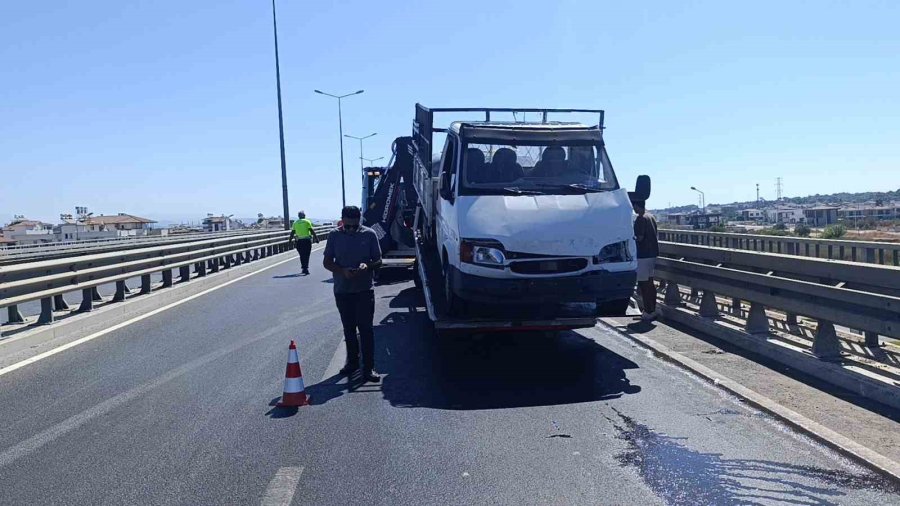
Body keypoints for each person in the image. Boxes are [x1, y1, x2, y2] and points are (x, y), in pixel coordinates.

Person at [323, 206, 383, 383]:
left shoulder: (370, 234)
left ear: (359, 222)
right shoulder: (334, 235)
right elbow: (327, 262)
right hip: (342, 290)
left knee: (366, 330)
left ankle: (369, 367)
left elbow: (378, 260)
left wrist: (367, 266)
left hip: (364, 290)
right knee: (349, 329)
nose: (351, 230)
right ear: (342, 221)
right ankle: (353, 363)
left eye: (354, 226)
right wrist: (342, 271)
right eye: (347, 226)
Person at [633, 200, 661, 321]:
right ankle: (651, 310)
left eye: (634, 206)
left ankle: (648, 311)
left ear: (637, 206)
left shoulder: (640, 218)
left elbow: (639, 238)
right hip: (652, 254)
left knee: (644, 284)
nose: (634, 209)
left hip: (643, 255)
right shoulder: (651, 216)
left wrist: (630, 237)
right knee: (650, 283)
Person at [289, 211, 319, 275]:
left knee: (301, 255)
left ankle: (304, 267)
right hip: (307, 241)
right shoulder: (307, 221)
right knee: (307, 254)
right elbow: (311, 230)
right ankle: (306, 268)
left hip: (299, 241)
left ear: (298, 216)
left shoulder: (295, 222)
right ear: (304, 216)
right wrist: (316, 238)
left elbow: (292, 232)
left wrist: (290, 241)